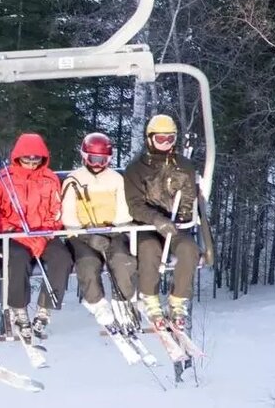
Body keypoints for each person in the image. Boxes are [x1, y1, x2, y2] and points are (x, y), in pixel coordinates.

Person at [0, 132, 73, 341]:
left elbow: (57, 212)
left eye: (36, 159)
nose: (30, 163)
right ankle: (18, 309)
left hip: (43, 233)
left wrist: (44, 235)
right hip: (14, 235)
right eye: (26, 158)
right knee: (16, 260)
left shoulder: (50, 179)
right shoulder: (4, 179)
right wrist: (13, 231)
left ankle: (45, 309)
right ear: (18, 157)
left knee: (62, 259)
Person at [124, 114, 201, 331]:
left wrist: (182, 214)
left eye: (170, 139)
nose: (166, 144)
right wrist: (156, 219)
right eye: (161, 139)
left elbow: (188, 199)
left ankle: (177, 302)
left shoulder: (184, 166)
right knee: (149, 248)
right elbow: (135, 205)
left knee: (189, 249)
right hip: (147, 225)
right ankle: (150, 299)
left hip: (175, 225)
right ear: (149, 139)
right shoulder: (136, 169)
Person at [61, 132, 138, 330]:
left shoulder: (115, 179)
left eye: (102, 160)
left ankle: (125, 299)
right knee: (88, 262)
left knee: (121, 259)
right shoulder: (73, 180)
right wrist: (87, 234)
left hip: (111, 230)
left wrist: (114, 228)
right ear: (85, 156)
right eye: (93, 159)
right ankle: (96, 303)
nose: (97, 164)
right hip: (81, 234)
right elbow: (68, 216)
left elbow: (123, 211)